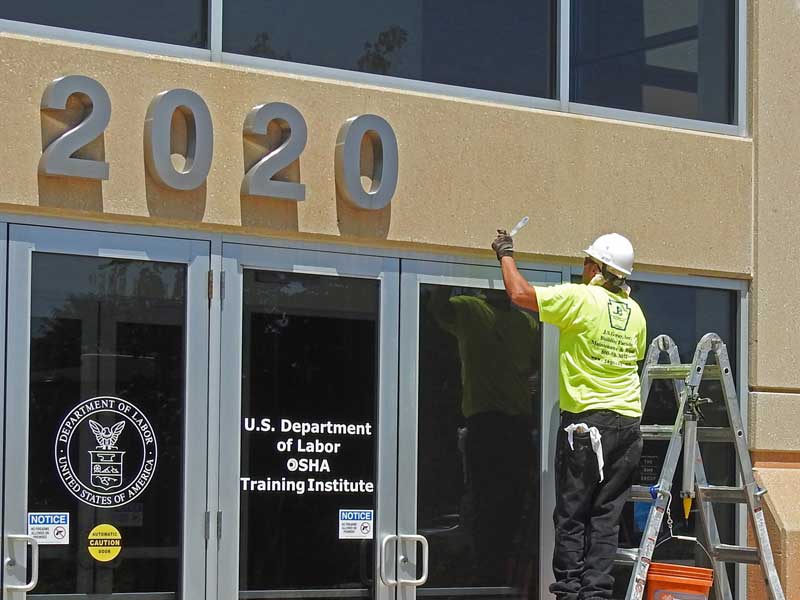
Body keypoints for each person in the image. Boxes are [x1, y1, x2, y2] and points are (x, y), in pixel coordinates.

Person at [491, 230, 647, 600]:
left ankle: (569, 594)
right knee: (606, 518)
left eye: (586, 262)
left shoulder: (583, 298)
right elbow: (635, 356)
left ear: (597, 268)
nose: (582, 268)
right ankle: (595, 595)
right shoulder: (636, 312)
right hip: (627, 426)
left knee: (572, 516)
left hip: (587, 426)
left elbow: (520, 295)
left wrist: (505, 255)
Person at [428, 287, 539, 586]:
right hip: (490, 424)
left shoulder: (523, 321)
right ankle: (487, 574)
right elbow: (437, 308)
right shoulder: (469, 309)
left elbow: (539, 360)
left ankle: (497, 573)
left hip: (512, 425)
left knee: (509, 504)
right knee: (488, 503)